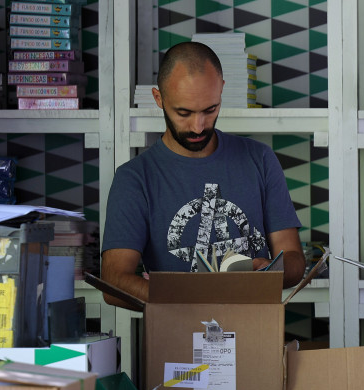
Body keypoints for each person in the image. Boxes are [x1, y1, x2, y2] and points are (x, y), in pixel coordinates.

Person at [101, 41, 306, 308]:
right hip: (175, 337)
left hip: (257, 332)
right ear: (158, 98)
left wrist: (271, 272)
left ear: (221, 89)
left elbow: (293, 258)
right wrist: (194, 298)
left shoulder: (260, 159)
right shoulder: (134, 178)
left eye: (210, 110)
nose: (198, 127)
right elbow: (114, 280)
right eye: (183, 113)